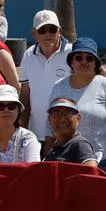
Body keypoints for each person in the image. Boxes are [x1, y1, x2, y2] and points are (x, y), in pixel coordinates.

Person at [51, 36, 106, 174]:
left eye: (89, 58)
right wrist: (49, 148)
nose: (84, 61)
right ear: (71, 62)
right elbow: (51, 122)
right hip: (67, 159)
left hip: (103, 161)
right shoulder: (59, 87)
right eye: (79, 57)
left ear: (95, 63)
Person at [17, 10, 69, 141]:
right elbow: (25, 94)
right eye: (42, 30)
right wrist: (21, 129)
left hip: (67, 134)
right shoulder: (29, 55)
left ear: (59, 31)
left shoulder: (73, 54)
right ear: (34, 33)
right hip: (36, 134)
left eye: (52, 29)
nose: (48, 34)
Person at [41, 98, 101, 167]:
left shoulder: (80, 144)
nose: (62, 119)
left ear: (78, 118)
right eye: (56, 114)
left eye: (68, 113)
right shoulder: (55, 147)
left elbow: (91, 171)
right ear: (49, 119)